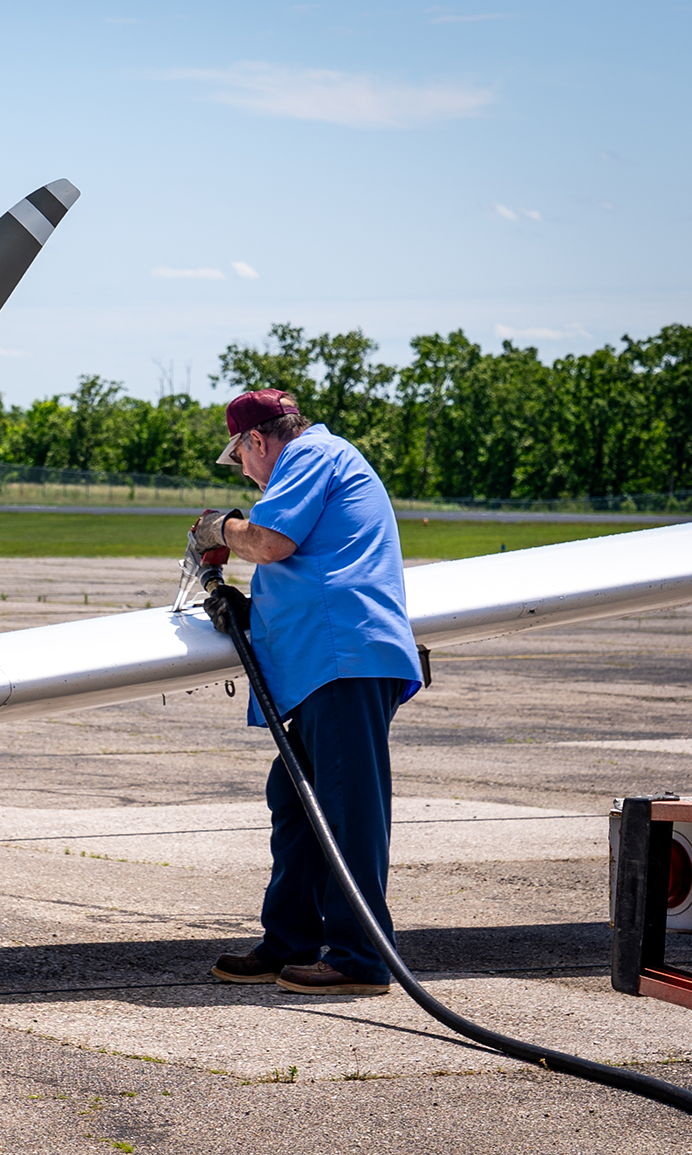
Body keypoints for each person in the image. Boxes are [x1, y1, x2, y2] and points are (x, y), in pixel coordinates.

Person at [192, 388, 422, 995]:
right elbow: (304, 563)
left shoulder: (311, 455)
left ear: (258, 441)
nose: (244, 470)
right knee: (296, 801)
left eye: (240, 456)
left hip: (344, 661)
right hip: (327, 664)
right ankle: (289, 942)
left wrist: (222, 526)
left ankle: (359, 958)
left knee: (347, 810)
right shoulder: (316, 463)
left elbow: (270, 544)